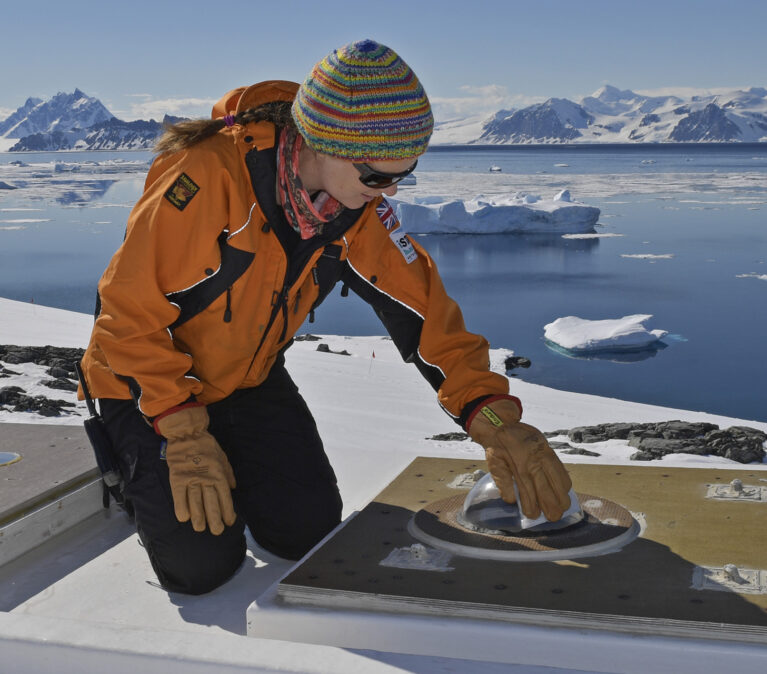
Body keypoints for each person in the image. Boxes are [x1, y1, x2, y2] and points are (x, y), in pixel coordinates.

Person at [78, 39, 572, 595]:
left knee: (306, 532)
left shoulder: (353, 208)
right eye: (377, 176)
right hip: (146, 383)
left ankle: (226, 453)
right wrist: (186, 431)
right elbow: (125, 315)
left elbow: (429, 316)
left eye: (402, 176)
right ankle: (139, 470)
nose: (386, 191)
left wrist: (495, 419)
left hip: (245, 378)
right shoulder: (207, 178)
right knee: (201, 568)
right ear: (323, 143)